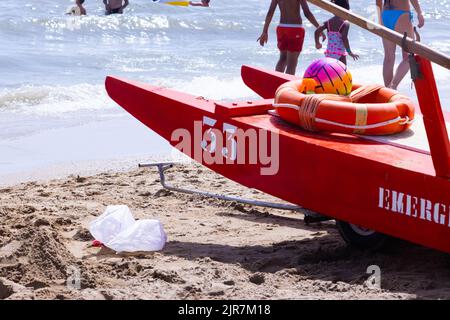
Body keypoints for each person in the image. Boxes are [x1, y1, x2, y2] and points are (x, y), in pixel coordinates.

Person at [258, 0, 325, 75]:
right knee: (292, 63)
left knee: (282, 58)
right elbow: (307, 13)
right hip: (295, 29)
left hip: (282, 28)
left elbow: (270, 12)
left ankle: (276, 83)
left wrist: (265, 31)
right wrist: (318, 27)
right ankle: (286, 84)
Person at [376, 0, 425, 89]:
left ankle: (388, 92)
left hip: (385, 16)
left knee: (388, 58)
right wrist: (419, 12)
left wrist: (380, 20)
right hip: (402, 14)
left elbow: (378, 2)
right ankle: (393, 86)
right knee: (410, 55)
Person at [314, 0, 359, 65]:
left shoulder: (328, 22)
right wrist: (349, 52)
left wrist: (317, 43)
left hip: (329, 53)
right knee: (342, 72)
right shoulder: (345, 24)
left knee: (331, 72)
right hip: (340, 53)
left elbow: (317, 31)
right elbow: (344, 38)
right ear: (346, 10)